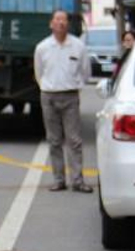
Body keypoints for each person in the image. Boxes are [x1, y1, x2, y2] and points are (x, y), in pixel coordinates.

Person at [33, 10, 92, 193]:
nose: (60, 23)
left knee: (74, 140)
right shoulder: (42, 47)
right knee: (54, 140)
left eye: (64, 20)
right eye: (57, 20)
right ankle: (59, 180)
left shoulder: (78, 46)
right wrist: (47, 87)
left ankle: (77, 180)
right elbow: (39, 73)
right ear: (51, 24)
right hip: (49, 97)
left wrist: (75, 86)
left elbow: (85, 72)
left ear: (68, 24)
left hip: (70, 96)